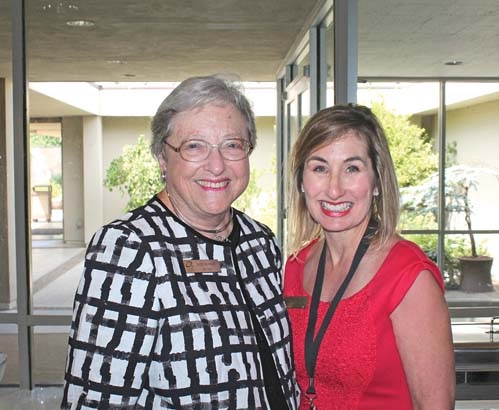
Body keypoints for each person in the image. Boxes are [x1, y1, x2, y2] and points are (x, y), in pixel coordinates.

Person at [61, 75, 299, 409]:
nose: (216, 165)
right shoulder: (131, 248)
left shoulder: (259, 242)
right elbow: (95, 399)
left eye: (232, 145)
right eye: (194, 146)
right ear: (163, 157)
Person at [283, 104, 455, 410]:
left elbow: (434, 405)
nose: (334, 189)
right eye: (320, 168)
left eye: (352, 168)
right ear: (301, 182)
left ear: (376, 182)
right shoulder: (295, 267)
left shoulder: (409, 277)